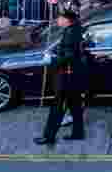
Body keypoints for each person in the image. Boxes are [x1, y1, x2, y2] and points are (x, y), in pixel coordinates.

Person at [35, 8, 87, 144]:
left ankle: (49, 136)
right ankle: (78, 132)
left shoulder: (70, 33)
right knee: (75, 105)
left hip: (66, 75)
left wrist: (52, 60)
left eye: (60, 18)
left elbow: (69, 55)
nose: (58, 20)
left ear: (67, 20)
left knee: (57, 107)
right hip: (74, 75)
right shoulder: (74, 29)